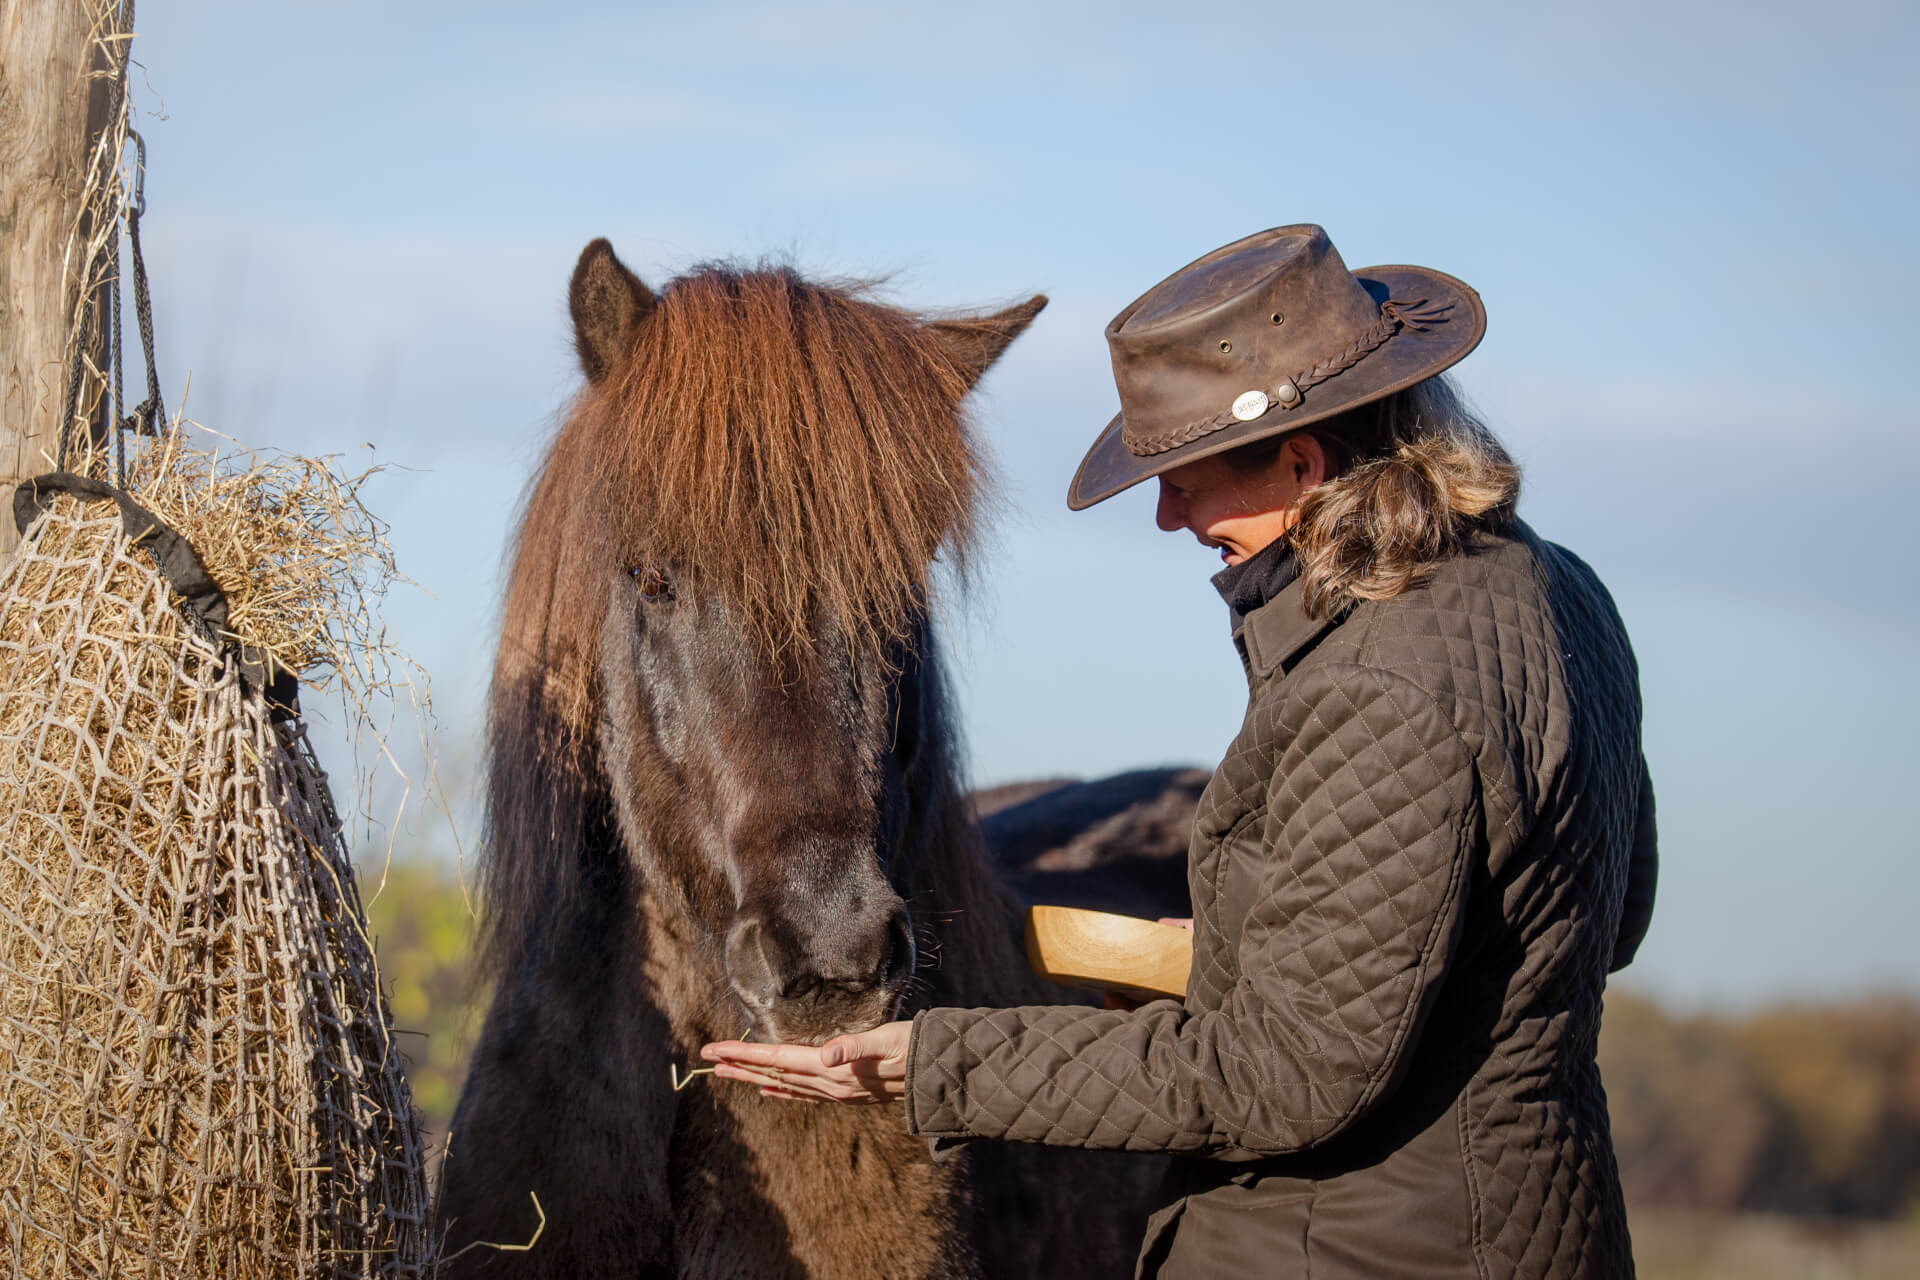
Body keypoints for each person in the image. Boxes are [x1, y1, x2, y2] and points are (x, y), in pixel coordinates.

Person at [703, 224, 1658, 1279]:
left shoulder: (1376, 685)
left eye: (1187, 475)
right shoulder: (1561, 592)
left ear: (1303, 463)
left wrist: (931, 1060)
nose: (1167, 515)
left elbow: (1286, 1075)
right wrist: (1261, 953)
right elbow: (1607, 917)